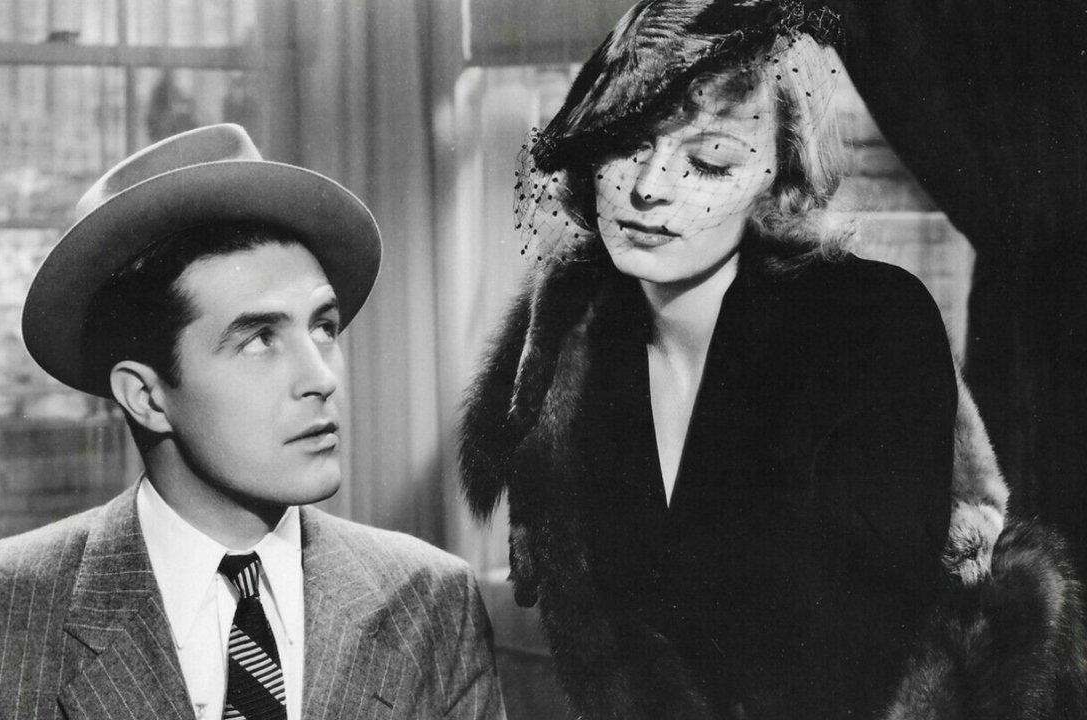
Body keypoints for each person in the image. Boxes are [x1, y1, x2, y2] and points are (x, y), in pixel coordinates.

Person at [459, 1, 1085, 718]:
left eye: (709, 160)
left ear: (777, 180)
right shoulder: (563, 353)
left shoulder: (873, 325)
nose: (649, 187)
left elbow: (861, 664)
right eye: (626, 143)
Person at [0, 123, 506, 720]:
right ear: (146, 396)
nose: (322, 377)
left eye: (323, 327)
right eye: (260, 339)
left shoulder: (432, 606)